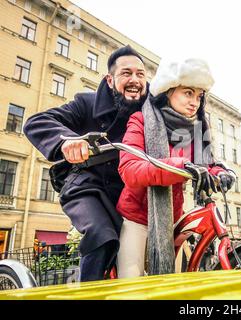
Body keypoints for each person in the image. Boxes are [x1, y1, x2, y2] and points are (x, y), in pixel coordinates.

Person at [24, 45, 149, 281]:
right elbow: (36, 122)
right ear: (110, 80)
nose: (135, 80)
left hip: (129, 193)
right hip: (86, 187)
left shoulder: (151, 111)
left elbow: (185, 123)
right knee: (101, 235)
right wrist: (67, 142)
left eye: (140, 74)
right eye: (126, 73)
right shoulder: (87, 103)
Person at [116, 57, 235, 278]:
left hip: (173, 221)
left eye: (199, 96)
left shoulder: (195, 131)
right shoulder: (141, 120)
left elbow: (206, 164)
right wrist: (181, 166)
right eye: (188, 93)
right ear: (168, 91)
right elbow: (130, 168)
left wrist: (220, 173)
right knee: (129, 285)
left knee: (174, 285)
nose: (195, 102)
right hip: (136, 218)